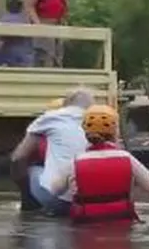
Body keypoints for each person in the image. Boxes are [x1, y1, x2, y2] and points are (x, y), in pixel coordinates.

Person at [50, 104, 149, 222]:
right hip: (122, 225)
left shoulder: (75, 162)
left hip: (85, 225)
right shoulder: (127, 159)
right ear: (116, 132)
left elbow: (54, 190)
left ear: (85, 131)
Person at [9, 87, 93, 216]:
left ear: (66, 103)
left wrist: (23, 189)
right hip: (93, 201)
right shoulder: (99, 121)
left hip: (57, 200)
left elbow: (18, 157)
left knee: (32, 169)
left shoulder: (51, 117)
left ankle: (29, 208)